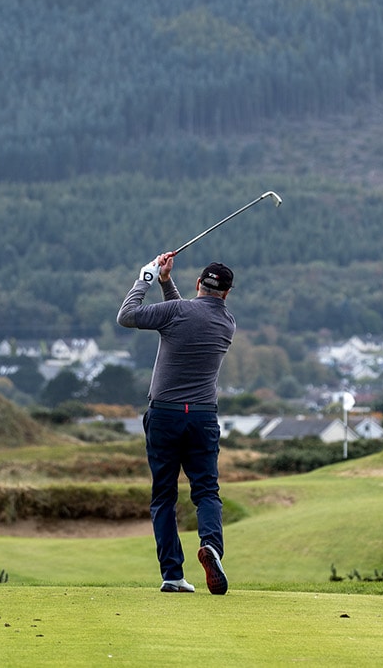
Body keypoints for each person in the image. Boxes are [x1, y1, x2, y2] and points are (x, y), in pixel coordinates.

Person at [117, 251, 235, 595]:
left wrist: (148, 277)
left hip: (165, 414)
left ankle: (173, 575)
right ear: (226, 294)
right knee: (207, 491)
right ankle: (211, 546)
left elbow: (127, 316)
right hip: (201, 416)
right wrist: (168, 283)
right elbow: (186, 316)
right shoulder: (227, 322)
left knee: (164, 497)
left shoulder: (177, 312)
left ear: (198, 283)